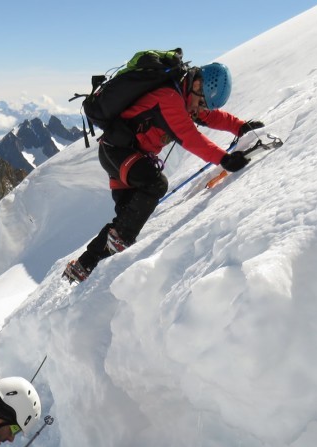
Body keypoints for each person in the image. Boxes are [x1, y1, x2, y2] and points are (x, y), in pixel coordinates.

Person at [64, 62, 264, 282]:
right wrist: (224, 159)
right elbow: (190, 138)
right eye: (201, 103)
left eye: (204, 106)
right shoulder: (169, 99)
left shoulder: (188, 98)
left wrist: (240, 127)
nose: (200, 110)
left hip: (122, 154)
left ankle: (85, 266)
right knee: (154, 186)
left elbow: (212, 117)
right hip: (119, 153)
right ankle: (114, 246)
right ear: (197, 83)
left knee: (127, 218)